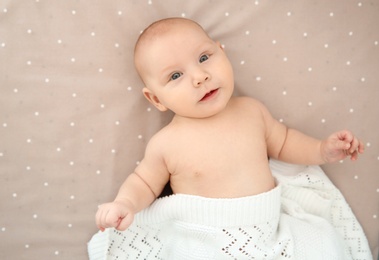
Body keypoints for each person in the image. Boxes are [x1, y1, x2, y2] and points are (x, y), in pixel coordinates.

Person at [90, 18, 371, 259]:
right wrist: (124, 204)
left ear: (222, 53)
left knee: (320, 243)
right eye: (176, 75)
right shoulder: (166, 142)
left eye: (204, 58)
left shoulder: (251, 111)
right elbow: (143, 182)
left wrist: (322, 150)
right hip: (204, 240)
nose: (200, 77)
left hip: (270, 230)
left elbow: (284, 143)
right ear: (156, 99)